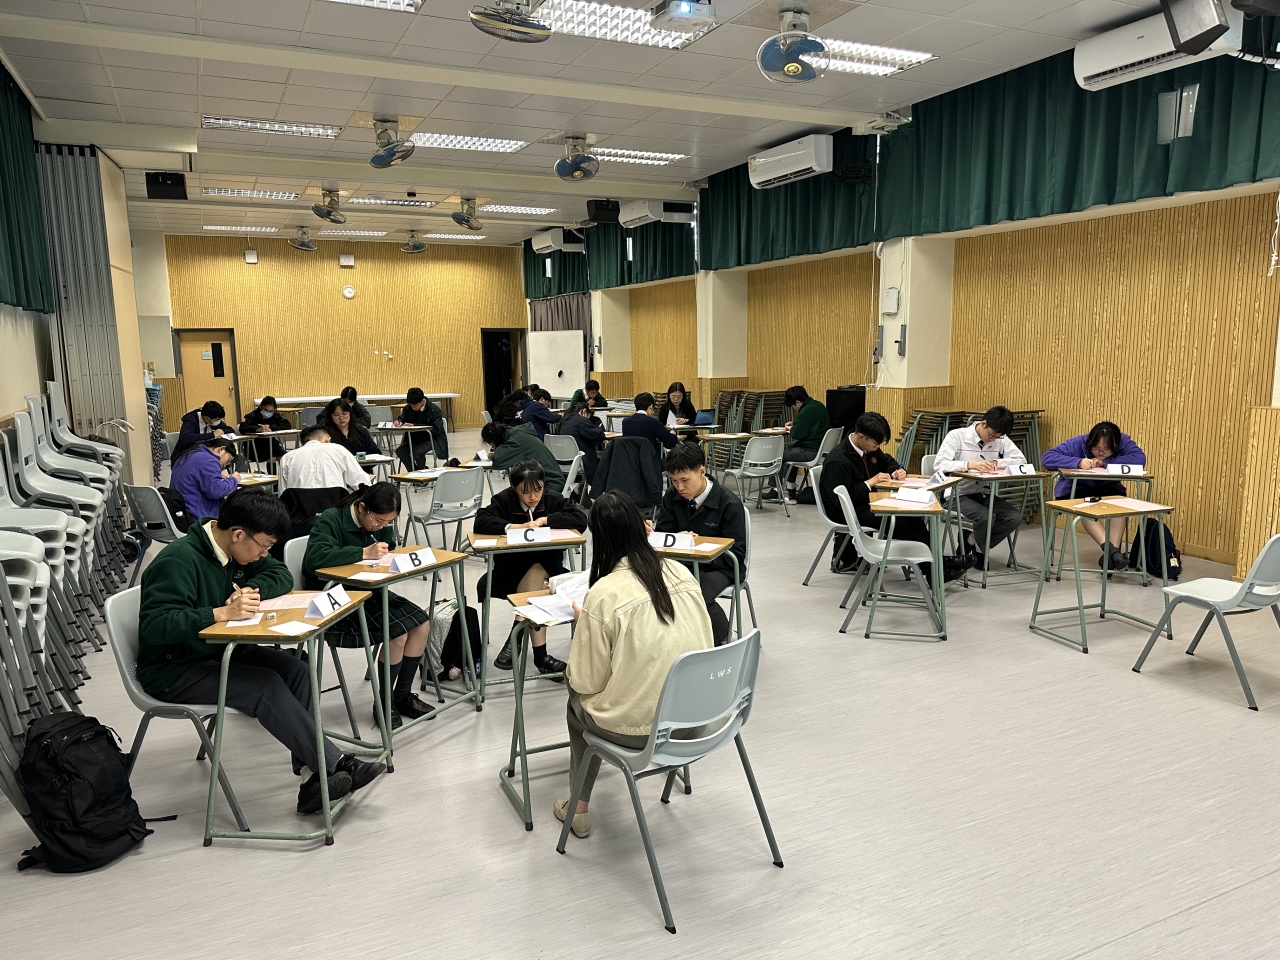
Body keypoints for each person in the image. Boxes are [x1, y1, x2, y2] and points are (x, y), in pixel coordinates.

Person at [137, 489, 384, 815]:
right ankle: (337, 763)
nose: (264, 554)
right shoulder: (178, 560)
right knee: (266, 686)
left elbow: (280, 575)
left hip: (219, 650)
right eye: (264, 546)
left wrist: (251, 591)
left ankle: (313, 777)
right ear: (238, 534)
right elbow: (155, 625)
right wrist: (219, 613)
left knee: (297, 671)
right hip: (176, 669)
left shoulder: (236, 550)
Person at [555, 490, 713, 839]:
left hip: (643, 732)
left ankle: (577, 808)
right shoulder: (680, 571)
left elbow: (585, 682)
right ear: (643, 527)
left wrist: (586, 626)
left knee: (575, 696)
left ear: (601, 539)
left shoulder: (603, 593)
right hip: (699, 719)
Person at [302, 483, 437, 728]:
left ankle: (402, 696)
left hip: (368, 590)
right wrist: (362, 552)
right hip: (334, 600)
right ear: (362, 507)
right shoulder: (332, 519)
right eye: (378, 521)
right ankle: (384, 702)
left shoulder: (380, 523)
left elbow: (387, 548)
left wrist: (385, 551)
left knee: (422, 624)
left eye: (388, 522)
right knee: (397, 633)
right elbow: (314, 559)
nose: (381, 527)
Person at [473, 459, 588, 677]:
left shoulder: (552, 499)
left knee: (537, 571)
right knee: (537, 583)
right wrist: (515, 526)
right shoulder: (504, 500)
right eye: (525, 492)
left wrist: (547, 520)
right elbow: (481, 521)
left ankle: (517, 635)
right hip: (510, 571)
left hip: (549, 568)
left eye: (538, 490)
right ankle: (540, 657)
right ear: (514, 489)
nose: (533, 497)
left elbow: (580, 520)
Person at [652, 442, 746, 646]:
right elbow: (662, 537)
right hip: (682, 563)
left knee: (696, 593)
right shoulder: (672, 496)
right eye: (674, 481)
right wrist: (675, 539)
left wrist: (699, 552)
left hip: (721, 568)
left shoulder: (729, 503)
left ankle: (724, 640)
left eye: (685, 480)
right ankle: (671, 642)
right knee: (649, 586)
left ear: (702, 471)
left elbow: (737, 554)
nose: (680, 487)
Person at [819, 412, 927, 570]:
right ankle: (932, 568)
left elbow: (887, 461)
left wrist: (898, 470)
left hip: (867, 502)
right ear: (861, 437)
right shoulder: (838, 460)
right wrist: (869, 483)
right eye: (876, 444)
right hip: (845, 510)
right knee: (897, 522)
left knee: (912, 516)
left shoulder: (868, 448)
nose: (877, 448)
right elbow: (840, 500)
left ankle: (937, 565)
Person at [1042, 421, 1147, 570]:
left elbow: (1140, 459)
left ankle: (1111, 558)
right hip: (1076, 489)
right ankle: (1113, 554)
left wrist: (1107, 461)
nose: (1100, 453)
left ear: (1116, 445)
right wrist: (1078, 462)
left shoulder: (1124, 441)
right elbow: (1047, 458)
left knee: (1120, 506)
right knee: (1087, 506)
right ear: (1090, 441)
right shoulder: (1079, 442)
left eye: (1106, 450)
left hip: (1108, 487)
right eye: (1096, 448)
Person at [935, 405, 1027, 566]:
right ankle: (980, 552)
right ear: (983, 424)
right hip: (956, 494)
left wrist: (997, 462)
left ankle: (972, 541)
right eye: (991, 435)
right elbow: (939, 465)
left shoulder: (1000, 439)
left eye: (997, 437)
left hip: (981, 492)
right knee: (986, 516)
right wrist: (969, 465)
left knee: (1014, 517)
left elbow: (1021, 461)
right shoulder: (957, 436)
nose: (993, 440)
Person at [277, 425, 369, 494]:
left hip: (299, 511)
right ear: (328, 440)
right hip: (335, 509)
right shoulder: (338, 449)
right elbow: (362, 483)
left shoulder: (287, 457)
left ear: (303, 443)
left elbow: (283, 493)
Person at [169, 437, 240, 520]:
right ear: (221, 449)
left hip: (180, 511)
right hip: (197, 516)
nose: (225, 465)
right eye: (228, 460)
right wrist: (234, 479)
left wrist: (216, 475)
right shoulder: (209, 461)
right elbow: (217, 491)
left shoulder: (189, 454)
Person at [480, 421, 565, 489]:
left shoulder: (516, 441)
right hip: (552, 480)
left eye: (493, 445)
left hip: (549, 484)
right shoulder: (518, 435)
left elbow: (498, 462)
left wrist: (495, 455)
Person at [781, 385, 831, 500]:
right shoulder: (819, 405)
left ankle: (775, 489)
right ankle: (790, 488)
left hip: (810, 452)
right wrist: (796, 424)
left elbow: (796, 434)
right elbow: (812, 425)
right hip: (822, 451)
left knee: (779, 454)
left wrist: (791, 429)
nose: (794, 409)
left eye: (793, 406)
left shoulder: (806, 410)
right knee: (792, 452)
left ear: (798, 402)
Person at [394, 387, 448, 470]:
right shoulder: (408, 408)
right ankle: (413, 472)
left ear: (423, 401)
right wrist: (399, 421)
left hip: (431, 439)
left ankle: (420, 473)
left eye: (415, 405)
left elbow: (437, 429)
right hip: (415, 439)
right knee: (400, 451)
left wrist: (415, 425)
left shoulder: (434, 410)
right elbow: (402, 418)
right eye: (411, 405)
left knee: (418, 452)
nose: (413, 407)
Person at [322, 397, 380, 468]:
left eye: (344, 414)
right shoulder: (325, 434)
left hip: (362, 471)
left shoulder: (361, 431)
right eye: (336, 415)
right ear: (330, 416)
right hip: (338, 473)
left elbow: (376, 453)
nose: (341, 418)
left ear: (350, 413)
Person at [559, 401, 606, 486]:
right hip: (579, 461)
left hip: (563, 460)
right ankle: (594, 489)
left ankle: (581, 486)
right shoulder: (581, 421)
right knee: (603, 463)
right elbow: (599, 435)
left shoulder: (565, 420)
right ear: (584, 411)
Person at [238, 395, 291, 463]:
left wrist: (271, 428)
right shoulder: (252, 415)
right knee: (272, 457)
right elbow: (243, 428)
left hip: (271, 444)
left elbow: (287, 425)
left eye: (271, 411)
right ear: (261, 407)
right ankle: (272, 469)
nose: (268, 413)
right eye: (266, 410)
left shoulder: (275, 416)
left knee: (284, 457)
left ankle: (281, 470)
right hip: (254, 446)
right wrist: (257, 429)